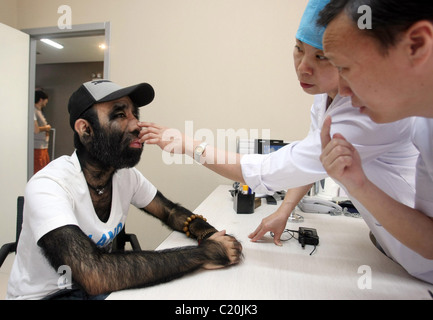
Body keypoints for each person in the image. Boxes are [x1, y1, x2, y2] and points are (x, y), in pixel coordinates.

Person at [140, 0, 419, 274]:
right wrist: (285, 209)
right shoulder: (328, 95)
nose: (303, 67)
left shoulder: (364, 111)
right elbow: (318, 158)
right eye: (298, 50)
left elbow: (270, 170)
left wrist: (189, 145)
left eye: (321, 57)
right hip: (387, 241)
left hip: (415, 248)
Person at [7, 80, 242, 300]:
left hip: (95, 290)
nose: (136, 125)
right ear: (85, 129)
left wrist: (211, 235)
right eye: (120, 115)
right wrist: (201, 255)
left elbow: (170, 212)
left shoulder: (125, 176)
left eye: (135, 114)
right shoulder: (49, 185)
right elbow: (94, 274)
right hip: (48, 295)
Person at [317, 0, 433, 283]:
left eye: (346, 67)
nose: (342, 89)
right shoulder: (424, 126)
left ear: (416, 45)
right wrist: (359, 184)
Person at [34, 90, 52, 174]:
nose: (46, 102)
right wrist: (46, 127)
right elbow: (36, 129)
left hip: (43, 145)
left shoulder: (39, 111)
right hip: (38, 146)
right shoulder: (34, 111)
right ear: (41, 99)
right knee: (38, 170)